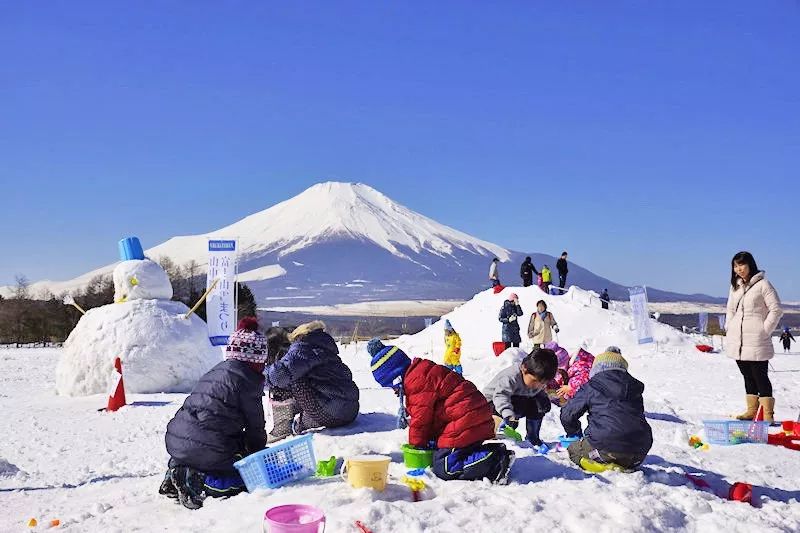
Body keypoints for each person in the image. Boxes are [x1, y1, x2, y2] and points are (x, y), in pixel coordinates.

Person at [367, 339, 514, 483]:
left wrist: (417, 444)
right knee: (443, 450)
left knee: (444, 467)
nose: (393, 391)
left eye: (391, 386)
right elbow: (433, 413)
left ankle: (496, 459)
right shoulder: (421, 372)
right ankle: (487, 454)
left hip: (466, 417)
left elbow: (420, 420)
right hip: (469, 414)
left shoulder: (416, 381)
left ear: (396, 378)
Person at [161, 317, 268, 509]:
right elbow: (255, 426)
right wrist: (257, 454)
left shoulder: (215, 371)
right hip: (207, 448)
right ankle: (200, 482)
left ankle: (178, 470)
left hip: (177, 442)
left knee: (209, 446)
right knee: (243, 478)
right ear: (257, 360)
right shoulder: (247, 381)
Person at [264, 320, 360, 441]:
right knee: (296, 375)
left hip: (332, 412)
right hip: (349, 411)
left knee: (285, 378)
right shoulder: (321, 346)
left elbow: (279, 376)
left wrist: (260, 371)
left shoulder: (303, 347)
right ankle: (298, 425)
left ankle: (281, 429)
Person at [560, 348, 653, 472]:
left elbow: (568, 414)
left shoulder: (592, 385)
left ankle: (605, 468)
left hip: (604, 446)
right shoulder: (634, 388)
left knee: (574, 451)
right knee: (622, 450)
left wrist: (574, 433)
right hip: (639, 452)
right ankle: (623, 464)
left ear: (597, 368)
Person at [725, 251, 783, 422]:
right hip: (738, 340)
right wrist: (729, 326)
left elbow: (776, 309)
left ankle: (767, 415)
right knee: (747, 376)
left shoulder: (763, 284)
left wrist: (765, 330)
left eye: (741, 265)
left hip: (757, 338)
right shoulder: (735, 286)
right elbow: (730, 309)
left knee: (760, 376)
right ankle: (751, 410)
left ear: (750, 264)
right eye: (735, 266)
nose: (738, 269)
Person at [482, 348, 558, 447]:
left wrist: (543, 401)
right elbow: (501, 396)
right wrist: (508, 415)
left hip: (516, 401)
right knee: (516, 403)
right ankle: (495, 433)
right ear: (524, 369)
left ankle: (532, 437)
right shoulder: (511, 377)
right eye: (534, 381)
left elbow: (536, 394)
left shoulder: (535, 382)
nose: (537, 386)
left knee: (539, 405)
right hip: (491, 405)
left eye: (542, 383)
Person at [544, 342, 594, 407]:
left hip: (584, 392)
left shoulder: (580, 365)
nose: (556, 372)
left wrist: (570, 387)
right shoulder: (561, 370)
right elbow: (557, 379)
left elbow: (584, 379)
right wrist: (547, 386)